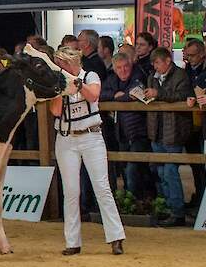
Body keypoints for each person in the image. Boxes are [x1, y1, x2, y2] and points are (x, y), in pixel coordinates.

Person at [49, 46, 124, 255]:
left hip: (91, 136)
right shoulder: (59, 82)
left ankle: (116, 237)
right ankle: (72, 241)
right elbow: (55, 111)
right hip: (66, 139)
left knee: (102, 187)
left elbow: (93, 96)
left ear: (70, 63)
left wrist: (77, 84)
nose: (58, 67)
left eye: (60, 63)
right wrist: (61, 89)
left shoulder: (90, 76)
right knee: (71, 191)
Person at [144, 46, 192, 226]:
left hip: (174, 130)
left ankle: (177, 212)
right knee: (161, 171)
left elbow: (183, 95)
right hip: (157, 129)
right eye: (153, 63)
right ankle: (167, 207)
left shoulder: (181, 76)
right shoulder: (152, 77)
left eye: (157, 63)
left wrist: (159, 94)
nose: (155, 66)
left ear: (167, 61)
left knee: (170, 171)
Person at [100, 53, 151, 197]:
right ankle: (132, 201)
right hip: (121, 132)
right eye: (119, 68)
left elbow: (135, 93)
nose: (123, 70)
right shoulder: (111, 79)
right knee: (124, 168)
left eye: (126, 66)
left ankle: (134, 199)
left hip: (139, 131)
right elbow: (100, 93)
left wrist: (118, 97)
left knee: (133, 168)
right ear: (115, 69)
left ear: (131, 65)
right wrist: (114, 95)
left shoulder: (138, 75)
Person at [182, 39, 206, 208]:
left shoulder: (205, 71)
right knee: (195, 165)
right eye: (187, 55)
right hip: (190, 123)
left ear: (201, 54)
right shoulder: (186, 71)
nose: (189, 59)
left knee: (203, 163)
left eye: (192, 56)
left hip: (204, 123)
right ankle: (199, 196)